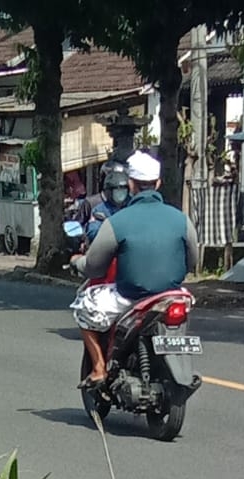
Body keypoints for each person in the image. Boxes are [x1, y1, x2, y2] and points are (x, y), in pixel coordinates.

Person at [70, 150, 198, 387]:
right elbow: (193, 261)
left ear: (130, 184)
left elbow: (95, 267)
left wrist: (77, 262)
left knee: (82, 309)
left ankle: (99, 369)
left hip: (130, 296)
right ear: (158, 184)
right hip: (172, 295)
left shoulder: (117, 222)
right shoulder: (182, 219)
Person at [83, 159, 130, 243]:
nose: (120, 193)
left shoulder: (132, 205)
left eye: (123, 188)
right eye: (116, 189)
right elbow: (92, 232)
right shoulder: (97, 208)